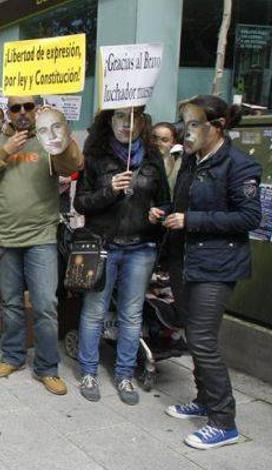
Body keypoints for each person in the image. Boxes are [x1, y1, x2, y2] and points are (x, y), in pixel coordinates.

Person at [150, 95, 261, 449]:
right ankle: (203, 400)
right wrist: (164, 210)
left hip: (217, 265)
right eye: (184, 122)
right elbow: (183, 205)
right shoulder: (191, 162)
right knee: (192, 332)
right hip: (186, 260)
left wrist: (191, 220)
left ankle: (224, 420)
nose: (187, 130)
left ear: (217, 126)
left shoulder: (240, 165)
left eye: (194, 123)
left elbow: (249, 218)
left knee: (203, 340)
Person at [0, 96, 83, 396]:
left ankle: (47, 367)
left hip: (42, 236)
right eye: (16, 108)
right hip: (4, 237)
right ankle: (13, 357)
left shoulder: (48, 141)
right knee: (10, 303)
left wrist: (58, 130)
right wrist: (7, 151)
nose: (22, 113)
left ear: (36, 110)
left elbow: (74, 164)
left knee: (46, 305)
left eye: (28, 107)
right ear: (8, 112)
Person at [73, 106, 169, 405]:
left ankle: (125, 373)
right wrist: (110, 190)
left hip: (141, 247)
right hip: (104, 246)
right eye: (120, 118)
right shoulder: (96, 156)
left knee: (131, 314)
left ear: (142, 122)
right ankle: (88, 370)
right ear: (109, 121)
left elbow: (165, 200)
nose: (127, 125)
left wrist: (160, 213)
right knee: (95, 312)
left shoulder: (153, 158)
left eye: (134, 119)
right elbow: (81, 203)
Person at [152, 122, 183, 192]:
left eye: (164, 140)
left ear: (173, 143)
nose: (158, 143)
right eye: (154, 138)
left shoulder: (180, 165)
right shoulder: (139, 160)